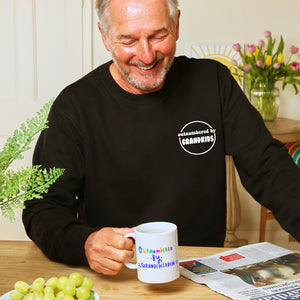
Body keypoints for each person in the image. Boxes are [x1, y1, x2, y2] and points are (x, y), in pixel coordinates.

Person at [23, 0, 300, 276]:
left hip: (201, 274)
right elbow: (42, 209)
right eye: (128, 40)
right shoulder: (74, 106)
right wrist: (85, 243)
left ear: (177, 25)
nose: (146, 55)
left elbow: (270, 170)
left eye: (158, 36)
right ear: (105, 36)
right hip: (118, 277)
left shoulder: (213, 82)